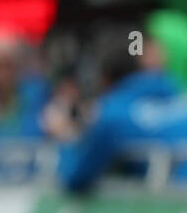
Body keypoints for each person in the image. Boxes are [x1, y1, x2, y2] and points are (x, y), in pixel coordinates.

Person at [58, 20, 187, 192]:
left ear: (105, 75)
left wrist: (66, 135)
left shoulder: (110, 115)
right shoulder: (179, 97)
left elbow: (75, 178)